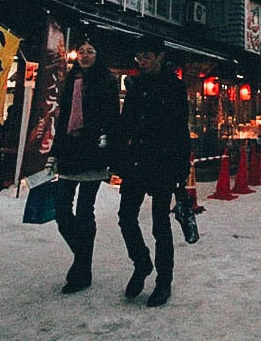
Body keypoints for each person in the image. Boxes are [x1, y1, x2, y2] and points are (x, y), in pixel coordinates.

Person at [115, 36, 190, 308]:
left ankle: (164, 282)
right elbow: (126, 123)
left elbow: (181, 129)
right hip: (136, 162)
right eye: (139, 57)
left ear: (159, 56)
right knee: (126, 217)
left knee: (161, 224)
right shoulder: (135, 84)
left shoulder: (174, 86)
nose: (142, 61)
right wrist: (119, 156)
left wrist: (181, 169)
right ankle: (142, 263)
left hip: (163, 163)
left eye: (146, 56)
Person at [50, 38, 120, 295]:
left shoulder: (108, 80)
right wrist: (55, 151)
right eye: (81, 51)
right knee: (61, 211)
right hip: (69, 151)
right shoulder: (70, 80)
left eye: (90, 51)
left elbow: (113, 118)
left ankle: (81, 270)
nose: (85, 55)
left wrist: (111, 151)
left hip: (93, 151)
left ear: (97, 54)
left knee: (84, 211)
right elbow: (64, 115)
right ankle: (83, 261)